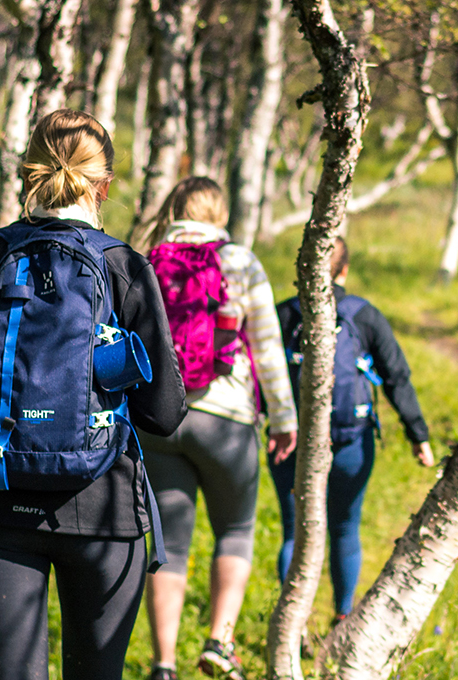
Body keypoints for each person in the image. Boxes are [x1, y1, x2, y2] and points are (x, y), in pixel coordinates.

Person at [0, 109, 186, 680]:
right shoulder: (126, 267)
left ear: (25, 174)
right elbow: (163, 415)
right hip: (105, 516)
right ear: (104, 185)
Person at [129, 178, 299, 680]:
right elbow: (266, 346)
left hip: (161, 419)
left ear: (174, 209)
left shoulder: (145, 261)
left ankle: (163, 664)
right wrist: (284, 418)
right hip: (226, 417)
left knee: (169, 545)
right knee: (237, 530)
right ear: (219, 213)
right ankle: (218, 643)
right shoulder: (240, 261)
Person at [273, 239, 435, 622]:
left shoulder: (282, 315)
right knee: (345, 527)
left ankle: (292, 625)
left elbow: (260, 375)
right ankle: (342, 616)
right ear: (344, 270)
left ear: (304, 269)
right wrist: (419, 435)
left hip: (289, 443)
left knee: (294, 533)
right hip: (350, 443)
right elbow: (397, 376)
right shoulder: (363, 315)